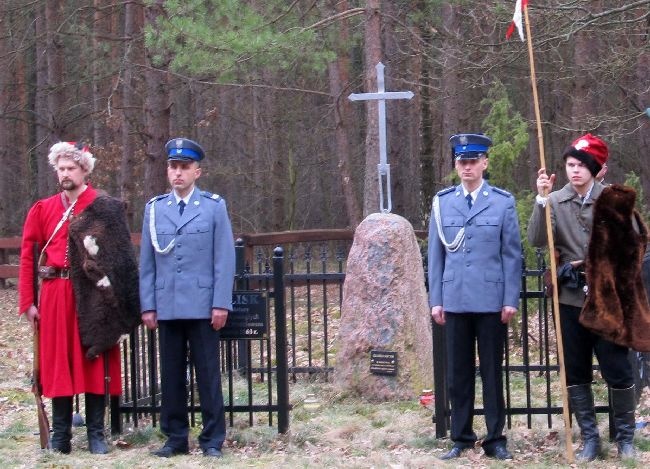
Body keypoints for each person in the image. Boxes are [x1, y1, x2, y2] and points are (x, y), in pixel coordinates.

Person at [19, 141, 139, 454]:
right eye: (61, 168)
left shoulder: (104, 206)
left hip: (91, 293)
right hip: (56, 293)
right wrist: (28, 301)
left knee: (93, 361)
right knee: (59, 361)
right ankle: (61, 436)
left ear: (84, 169)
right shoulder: (43, 208)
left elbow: (121, 256)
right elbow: (28, 254)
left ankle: (96, 434)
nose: (65, 173)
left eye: (71, 167)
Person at [528, 133, 637, 461]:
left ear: (596, 169)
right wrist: (541, 199)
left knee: (617, 370)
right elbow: (536, 239)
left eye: (582, 165)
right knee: (576, 370)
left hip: (608, 300)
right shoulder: (556, 201)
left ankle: (625, 438)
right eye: (571, 165)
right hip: (571, 299)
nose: (575, 171)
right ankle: (590, 440)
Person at [140, 137, 235, 458]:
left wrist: (221, 302)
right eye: (173, 167)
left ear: (197, 171)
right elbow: (147, 263)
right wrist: (148, 305)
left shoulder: (213, 207)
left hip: (203, 305)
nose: (177, 173)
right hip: (167, 306)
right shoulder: (154, 209)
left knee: (208, 375)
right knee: (171, 376)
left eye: (184, 167)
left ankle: (212, 440)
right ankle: (175, 438)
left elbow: (224, 259)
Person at [428, 133, 522, 460]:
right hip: (454, 299)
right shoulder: (443, 202)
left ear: (485, 162)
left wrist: (511, 298)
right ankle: (462, 437)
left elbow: (512, 254)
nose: (466, 167)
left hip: (491, 299)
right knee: (458, 373)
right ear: (456, 165)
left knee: (493, 372)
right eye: (461, 162)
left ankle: (495, 438)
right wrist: (435, 300)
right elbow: (436, 256)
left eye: (472, 161)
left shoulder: (501, 202)